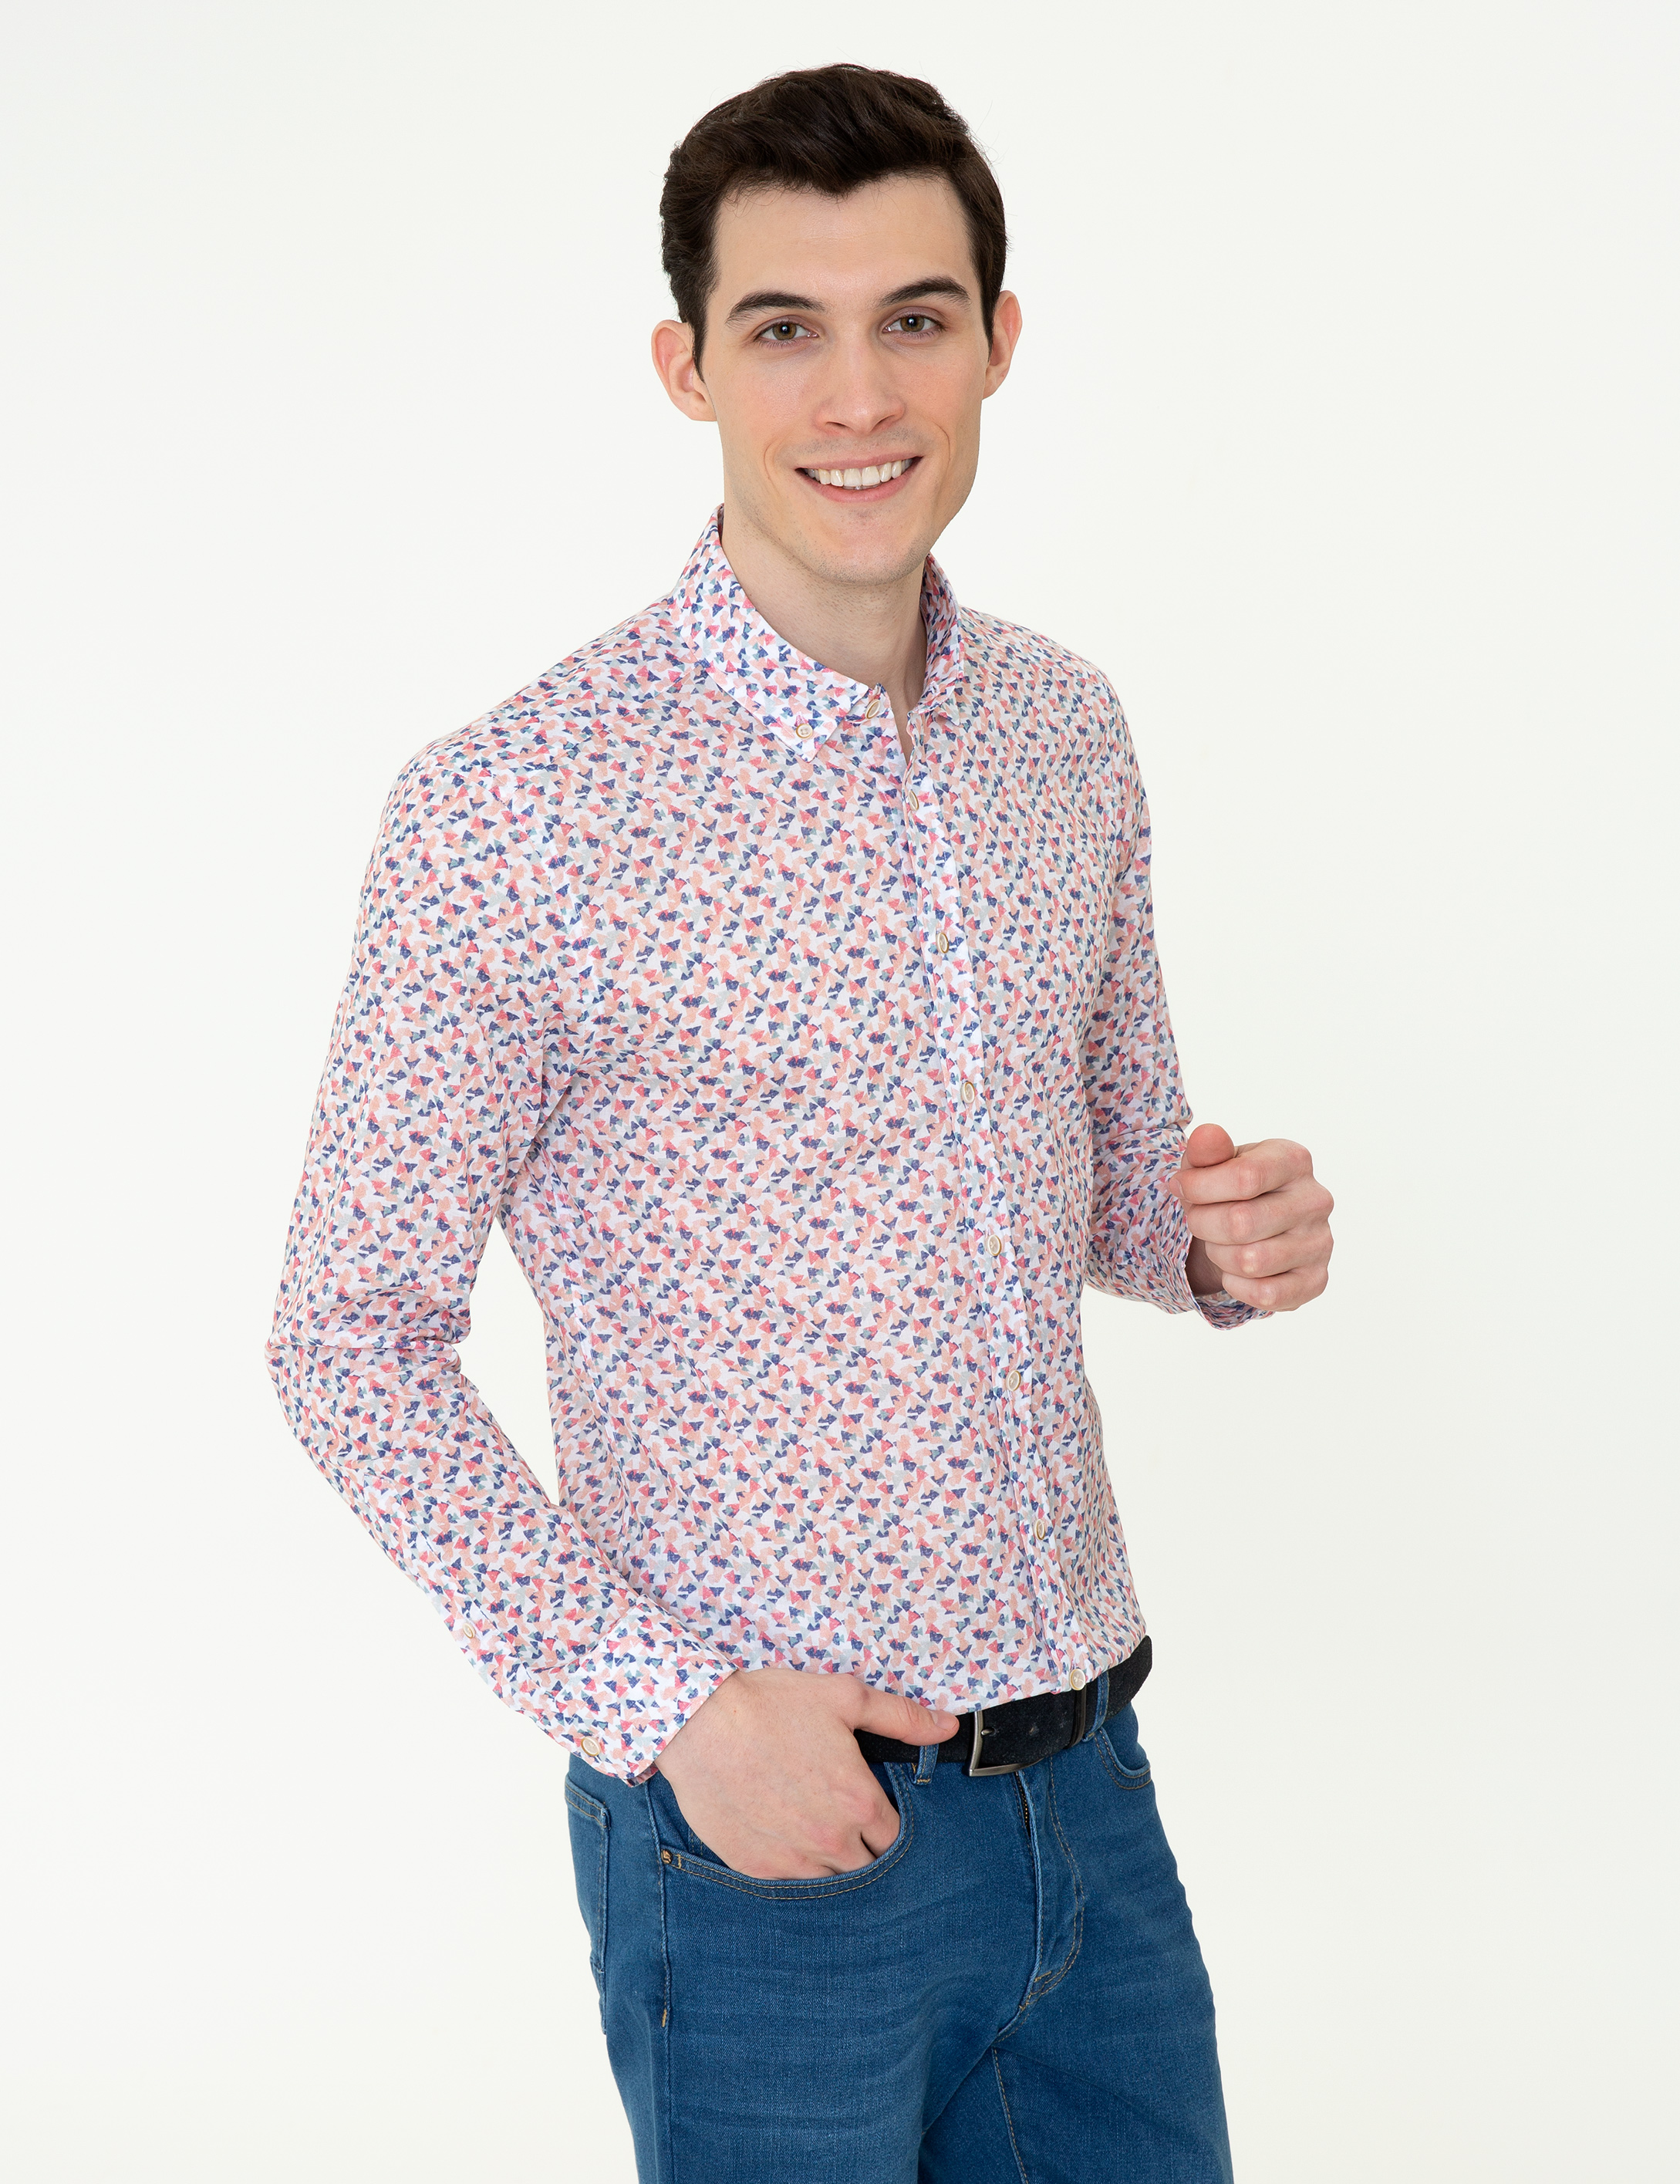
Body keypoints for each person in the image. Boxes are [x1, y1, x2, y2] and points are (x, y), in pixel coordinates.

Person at [268, 62, 1334, 2184]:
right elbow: (345, 1337)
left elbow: (1103, 1173)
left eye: (913, 319)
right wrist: (664, 1710)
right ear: (687, 369)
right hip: (768, 1843)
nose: (859, 395)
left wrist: (1215, 1239)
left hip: (1091, 1793)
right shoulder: (515, 809)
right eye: (784, 329)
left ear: (995, 340)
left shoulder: (1065, 732)